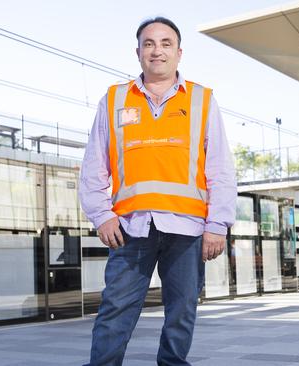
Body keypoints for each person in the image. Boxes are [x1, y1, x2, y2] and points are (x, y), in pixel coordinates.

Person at [78, 16, 236, 366]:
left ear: (179, 53)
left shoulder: (202, 100)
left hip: (189, 229)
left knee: (182, 311)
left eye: (165, 44)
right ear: (138, 53)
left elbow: (221, 169)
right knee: (115, 309)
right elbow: (93, 165)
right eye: (149, 44)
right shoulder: (115, 98)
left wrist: (217, 224)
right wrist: (102, 215)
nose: (157, 50)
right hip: (130, 228)